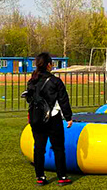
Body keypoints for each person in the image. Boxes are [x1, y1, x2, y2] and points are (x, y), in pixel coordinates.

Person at [25, 53, 73, 186]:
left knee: (39, 148)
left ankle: (40, 177)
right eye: (51, 63)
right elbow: (63, 100)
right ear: (48, 65)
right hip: (53, 118)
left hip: (36, 118)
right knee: (58, 148)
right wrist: (68, 117)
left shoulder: (32, 80)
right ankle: (62, 177)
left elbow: (29, 99)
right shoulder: (55, 81)